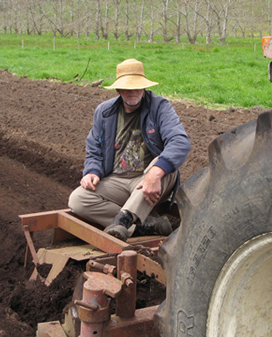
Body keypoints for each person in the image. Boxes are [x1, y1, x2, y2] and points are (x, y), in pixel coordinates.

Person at [68, 58, 191, 241]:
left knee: (160, 164)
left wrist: (155, 174)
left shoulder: (159, 107)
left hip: (150, 178)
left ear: (144, 87)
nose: (132, 92)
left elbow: (179, 141)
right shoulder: (104, 112)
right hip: (117, 179)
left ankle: (123, 221)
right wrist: (92, 171)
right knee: (77, 200)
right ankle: (144, 225)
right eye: (127, 87)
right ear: (118, 89)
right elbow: (94, 148)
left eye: (136, 86)